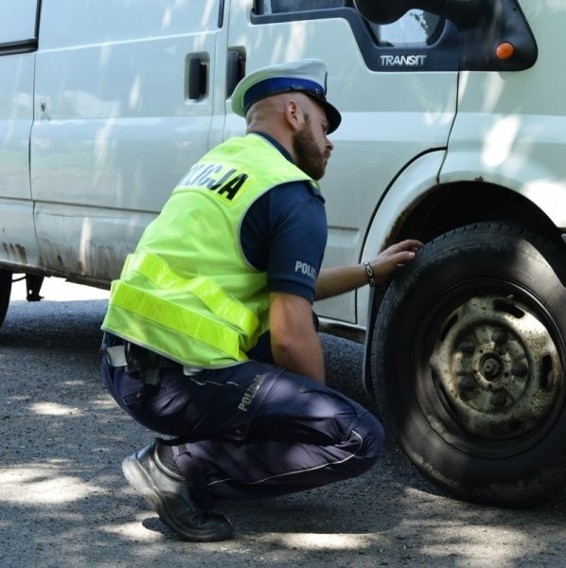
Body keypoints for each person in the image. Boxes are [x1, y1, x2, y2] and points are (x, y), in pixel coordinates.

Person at [99, 59, 422, 542]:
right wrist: (314, 409)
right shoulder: (292, 194)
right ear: (294, 113)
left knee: (285, 329)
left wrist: (371, 271)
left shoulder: (221, 167)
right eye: (322, 123)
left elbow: (283, 283)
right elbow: (291, 333)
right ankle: (179, 468)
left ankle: (208, 445)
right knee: (356, 436)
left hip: (123, 364)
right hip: (178, 381)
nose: (330, 140)